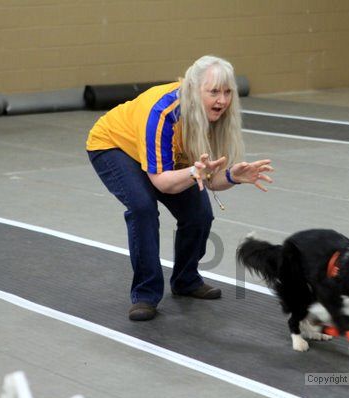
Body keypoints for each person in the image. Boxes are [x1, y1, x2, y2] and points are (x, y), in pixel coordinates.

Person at [86, 55, 273, 321]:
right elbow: (162, 182)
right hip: (114, 146)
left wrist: (232, 175)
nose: (222, 100)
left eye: (228, 92)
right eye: (214, 92)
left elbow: (210, 178)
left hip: (164, 158)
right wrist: (193, 172)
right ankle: (145, 294)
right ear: (194, 90)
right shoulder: (164, 113)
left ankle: (186, 280)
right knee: (142, 208)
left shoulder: (218, 118)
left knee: (199, 216)